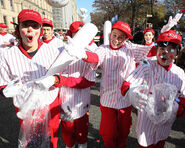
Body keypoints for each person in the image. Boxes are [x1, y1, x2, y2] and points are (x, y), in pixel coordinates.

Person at [0, 9, 79, 148]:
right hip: (25, 106)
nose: (30, 29)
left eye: (35, 26)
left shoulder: (54, 51)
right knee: (30, 141)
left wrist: (56, 79)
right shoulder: (7, 55)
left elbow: (67, 75)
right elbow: (3, 83)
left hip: (50, 104)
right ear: (18, 29)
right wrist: (7, 89)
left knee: (51, 140)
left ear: (40, 31)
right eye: (25, 25)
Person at [82, 21, 153, 148]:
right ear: (110, 34)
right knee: (108, 134)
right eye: (114, 35)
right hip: (107, 100)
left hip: (125, 100)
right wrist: (83, 54)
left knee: (123, 132)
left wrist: (164, 34)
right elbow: (95, 58)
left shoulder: (130, 49)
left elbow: (150, 50)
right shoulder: (103, 49)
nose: (116, 40)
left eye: (121, 37)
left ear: (126, 38)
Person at [121, 30, 185, 148]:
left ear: (176, 53)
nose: (164, 53)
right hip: (146, 122)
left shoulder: (179, 73)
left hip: (165, 125)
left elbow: (183, 97)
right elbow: (126, 84)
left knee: (160, 143)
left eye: (170, 49)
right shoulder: (147, 64)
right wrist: (131, 93)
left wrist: (177, 107)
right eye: (161, 49)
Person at [59, 21, 97, 148]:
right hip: (65, 99)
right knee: (67, 130)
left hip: (82, 99)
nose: (81, 36)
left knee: (82, 131)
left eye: (83, 33)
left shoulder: (92, 51)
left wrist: (63, 80)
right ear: (71, 34)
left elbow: (90, 80)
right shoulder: (61, 50)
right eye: (77, 33)